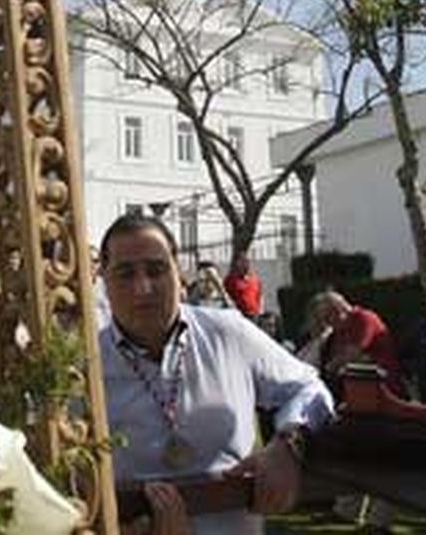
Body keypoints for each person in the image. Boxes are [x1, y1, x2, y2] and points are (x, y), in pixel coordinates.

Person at [98, 213, 333, 535]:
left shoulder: (228, 333)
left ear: (178, 274)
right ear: (104, 281)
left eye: (156, 269)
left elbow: (309, 388)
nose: (143, 288)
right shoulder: (85, 367)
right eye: (125, 274)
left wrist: (288, 444)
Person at [309, 290, 402, 394]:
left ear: (339, 310)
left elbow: (351, 355)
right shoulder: (337, 332)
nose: (327, 324)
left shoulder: (364, 318)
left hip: (382, 388)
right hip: (354, 388)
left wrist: (332, 366)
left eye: (327, 318)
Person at [222, 252, 262, 321]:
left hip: (254, 315)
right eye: (242, 261)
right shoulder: (231, 280)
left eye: (247, 261)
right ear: (237, 263)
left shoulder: (254, 279)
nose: (246, 264)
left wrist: (260, 311)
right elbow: (226, 297)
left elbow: (259, 296)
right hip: (239, 316)